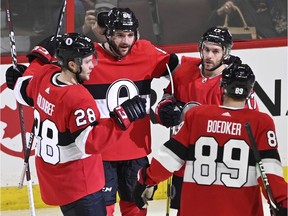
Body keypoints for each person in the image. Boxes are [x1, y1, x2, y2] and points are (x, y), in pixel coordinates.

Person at [5, 32, 147, 216]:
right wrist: (122, 119)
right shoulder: (78, 98)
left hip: (56, 181)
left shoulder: (45, 76)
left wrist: (39, 57)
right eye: (87, 62)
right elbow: (89, 143)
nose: (92, 66)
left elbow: (21, 89)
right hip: (81, 186)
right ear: (72, 65)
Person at [133, 63, 288, 216]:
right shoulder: (260, 122)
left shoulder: (198, 116)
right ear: (250, 91)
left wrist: (146, 180)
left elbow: (169, 158)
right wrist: (283, 202)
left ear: (222, 87)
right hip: (241, 210)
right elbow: (270, 173)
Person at [83, 7, 179, 216]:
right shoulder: (88, 57)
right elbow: (57, 79)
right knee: (101, 211)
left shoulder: (145, 51)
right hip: (100, 153)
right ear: (107, 33)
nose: (126, 41)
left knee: (136, 209)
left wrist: (168, 101)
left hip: (135, 151)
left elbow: (179, 71)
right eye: (119, 35)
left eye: (130, 35)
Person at [155, 26, 258, 215]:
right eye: (206, 49)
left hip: (219, 166)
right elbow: (166, 98)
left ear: (226, 53)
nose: (209, 55)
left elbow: (249, 124)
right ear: (200, 48)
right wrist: (165, 109)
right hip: (184, 161)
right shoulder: (184, 71)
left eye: (216, 51)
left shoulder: (232, 83)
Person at [208, 0, 287, 39]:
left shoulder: (277, 3)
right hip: (251, 49)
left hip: (279, 48)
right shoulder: (238, 2)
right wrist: (222, 11)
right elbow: (212, 22)